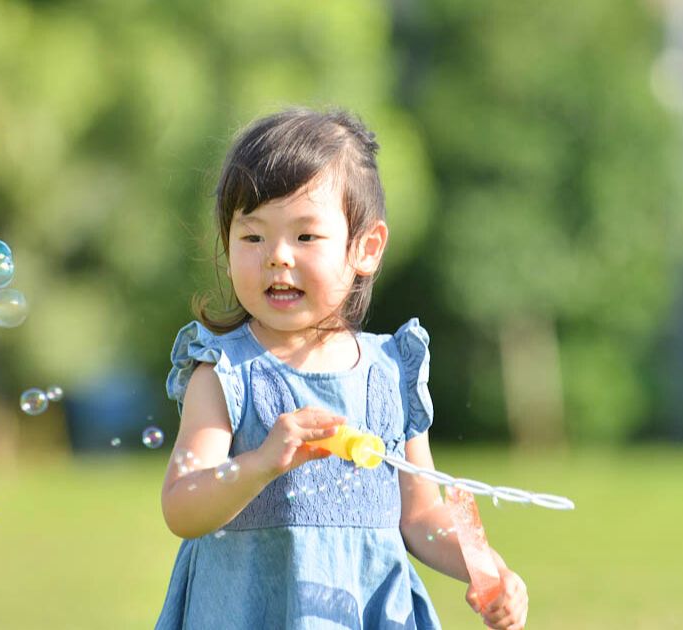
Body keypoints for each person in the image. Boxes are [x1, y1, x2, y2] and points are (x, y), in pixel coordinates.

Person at [156, 107, 528, 629]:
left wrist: (483, 567)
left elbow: (420, 515)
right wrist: (261, 462)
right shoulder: (225, 373)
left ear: (366, 248)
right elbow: (182, 505)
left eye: (305, 237)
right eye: (252, 236)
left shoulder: (389, 373)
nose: (277, 257)